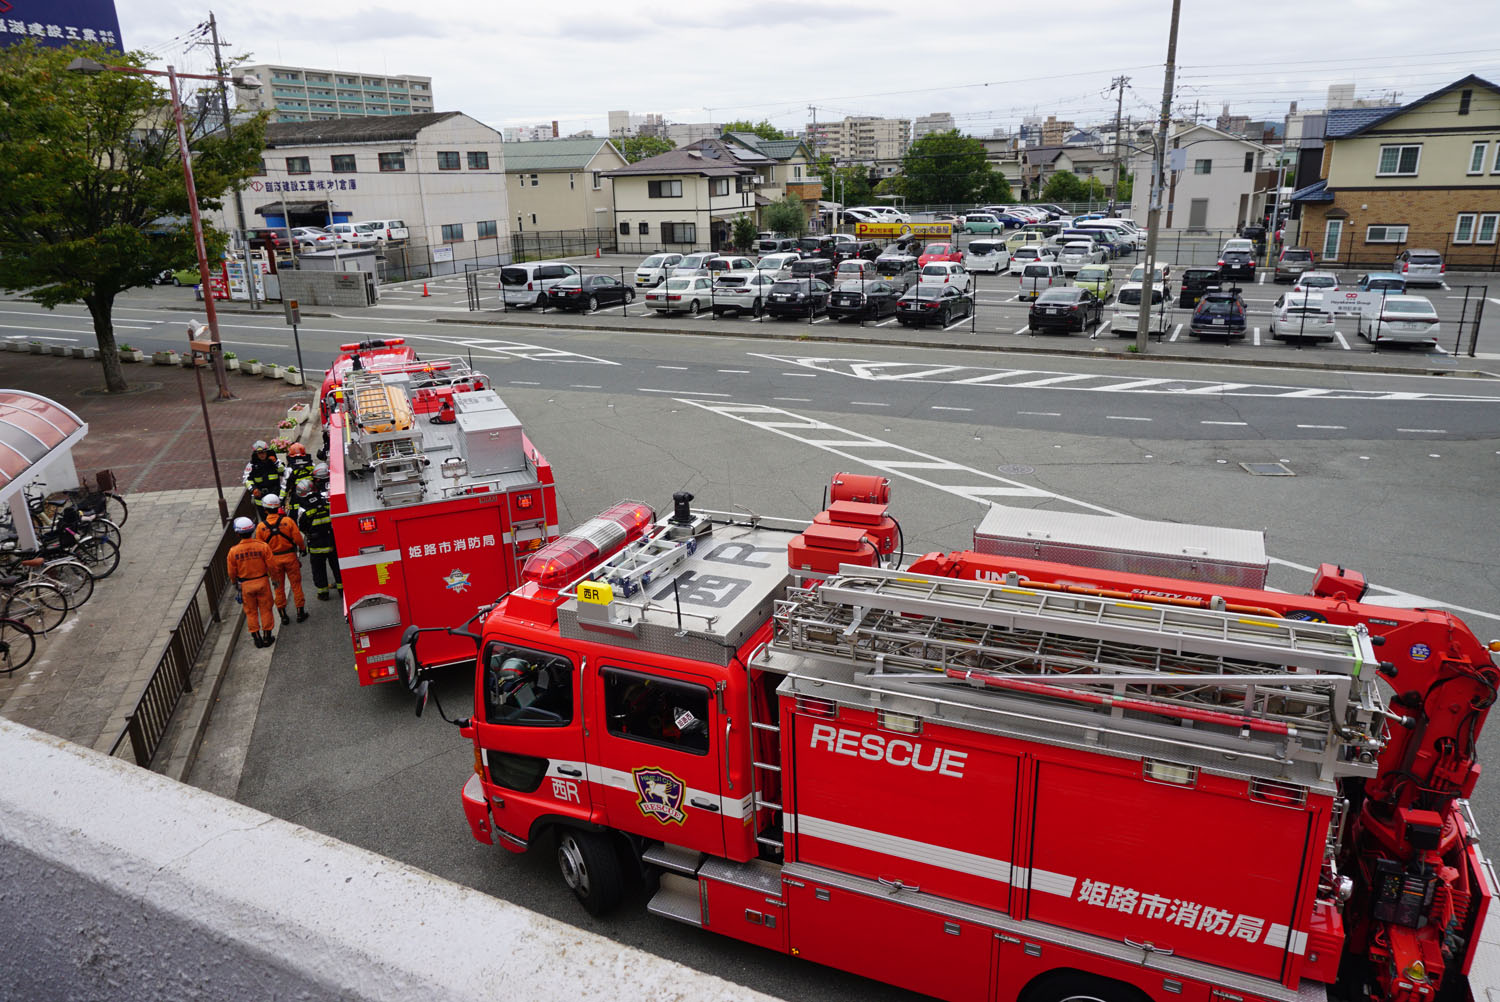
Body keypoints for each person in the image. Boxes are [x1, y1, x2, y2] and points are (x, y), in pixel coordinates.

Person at [255, 494, 308, 624]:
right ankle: (300, 612)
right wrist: (302, 549)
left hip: (273, 562)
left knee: (278, 588)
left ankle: (283, 614)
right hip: (290, 557)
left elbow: (260, 547)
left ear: (265, 509)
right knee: (296, 585)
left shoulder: (261, 527)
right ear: (278, 506)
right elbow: (298, 538)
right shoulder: (288, 521)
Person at [226, 516, 276, 648]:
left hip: (246, 585)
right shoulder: (262, 547)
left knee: (251, 612)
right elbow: (272, 566)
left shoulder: (233, 551)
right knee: (266, 609)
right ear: (252, 530)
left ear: (237, 533)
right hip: (262, 581)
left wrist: (235, 583)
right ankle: (267, 636)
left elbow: (232, 572)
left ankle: (256, 637)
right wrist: (274, 579)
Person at [298, 489, 342, 601]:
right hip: (331, 541)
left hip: (315, 544)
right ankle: (342, 590)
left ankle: (323, 594)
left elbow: (302, 527)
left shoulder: (303, 508)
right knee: (337, 566)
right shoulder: (325, 501)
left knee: (319, 570)